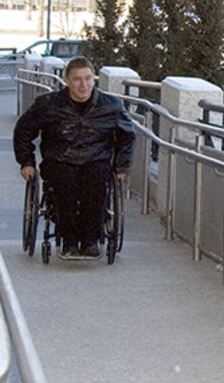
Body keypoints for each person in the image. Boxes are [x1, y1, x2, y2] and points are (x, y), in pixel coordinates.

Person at [14, 56, 135, 259]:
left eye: (88, 78)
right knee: (64, 182)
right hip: (60, 159)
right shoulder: (48, 104)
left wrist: (121, 166)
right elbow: (23, 131)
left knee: (96, 181)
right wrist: (27, 162)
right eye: (77, 79)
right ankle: (68, 239)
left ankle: (90, 240)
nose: (83, 84)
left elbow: (127, 135)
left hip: (96, 159)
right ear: (67, 81)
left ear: (94, 79)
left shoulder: (110, 106)